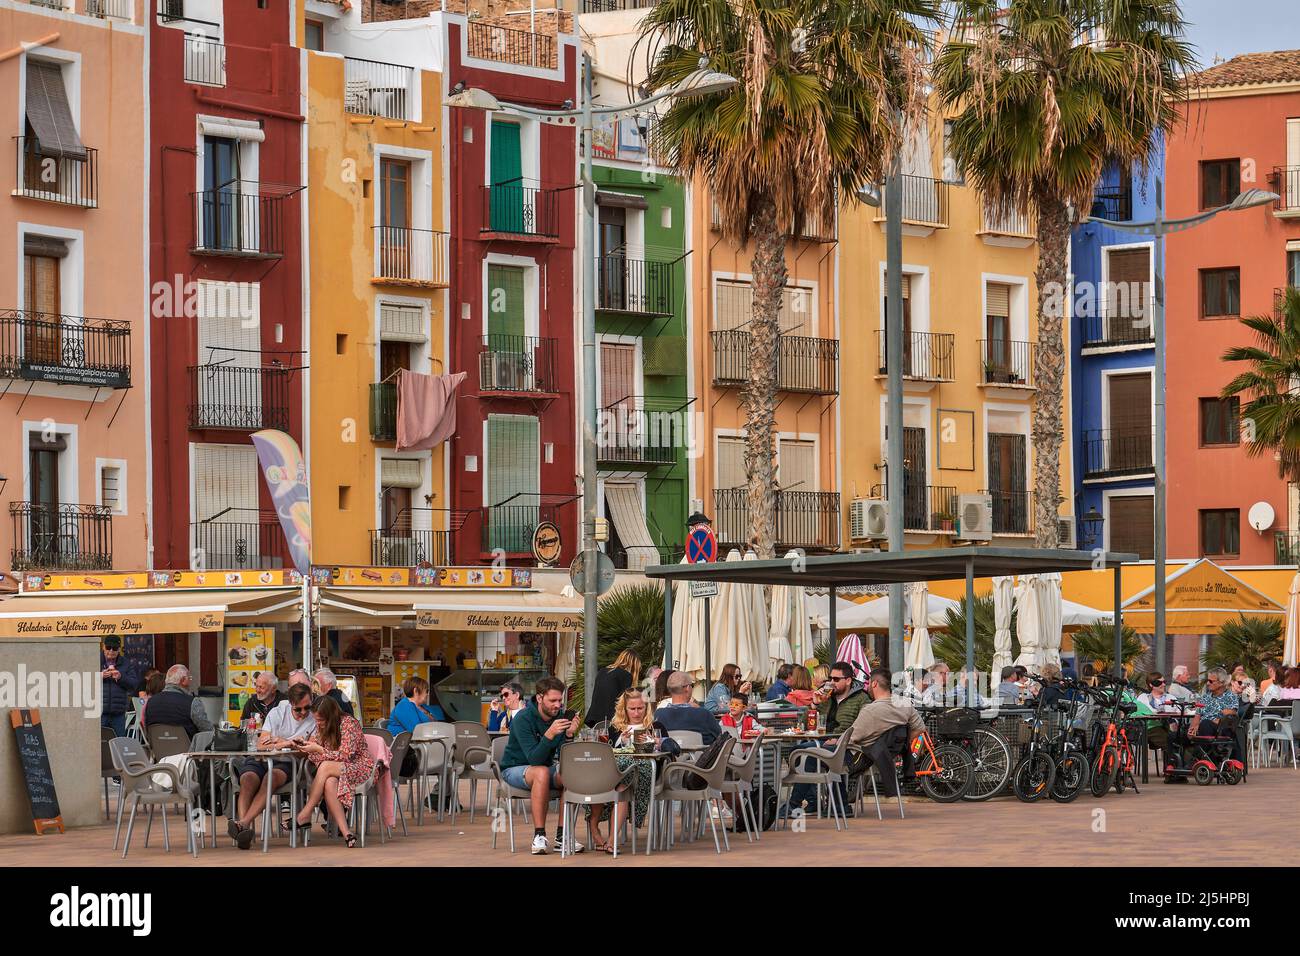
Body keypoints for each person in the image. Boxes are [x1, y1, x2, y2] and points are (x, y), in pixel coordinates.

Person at [499, 676, 581, 855]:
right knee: (541, 772)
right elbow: (534, 759)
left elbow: (563, 756)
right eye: (553, 700)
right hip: (514, 768)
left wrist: (568, 735)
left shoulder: (558, 717)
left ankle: (562, 836)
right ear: (539, 698)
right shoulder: (523, 718)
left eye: (560, 700)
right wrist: (549, 735)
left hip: (542, 768)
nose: (558, 705)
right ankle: (539, 835)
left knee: (569, 773)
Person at [228, 684, 316, 850]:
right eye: (298, 710)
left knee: (271, 777)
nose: (304, 713)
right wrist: (289, 743)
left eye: (307, 707)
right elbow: (261, 745)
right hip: (263, 758)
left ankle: (243, 825)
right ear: (290, 703)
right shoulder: (277, 713)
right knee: (247, 779)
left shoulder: (314, 718)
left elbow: (308, 749)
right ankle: (244, 831)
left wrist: (279, 741)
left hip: (289, 762)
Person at [291, 695, 374, 848]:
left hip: (359, 767)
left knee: (325, 767)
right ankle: (347, 834)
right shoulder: (321, 726)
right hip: (336, 770)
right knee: (329, 782)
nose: (318, 723)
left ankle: (305, 814)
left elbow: (346, 755)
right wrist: (306, 745)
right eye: (316, 720)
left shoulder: (349, 723)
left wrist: (319, 750)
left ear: (331, 716)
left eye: (321, 720)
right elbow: (317, 752)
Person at [588, 688, 656, 852]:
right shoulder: (614, 728)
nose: (636, 712)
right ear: (624, 709)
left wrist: (656, 741)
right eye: (632, 709)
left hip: (640, 772)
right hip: (612, 771)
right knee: (603, 780)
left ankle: (611, 840)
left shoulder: (654, 726)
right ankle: (595, 828)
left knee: (622, 787)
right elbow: (605, 749)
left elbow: (669, 748)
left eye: (640, 708)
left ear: (646, 708)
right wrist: (622, 740)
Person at [847, 670, 925, 797]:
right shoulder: (905, 704)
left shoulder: (870, 710)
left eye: (869, 683)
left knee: (818, 757)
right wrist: (901, 744)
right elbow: (920, 728)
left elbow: (850, 739)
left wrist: (835, 741)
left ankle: (831, 804)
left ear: (874, 684)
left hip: (867, 760)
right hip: (888, 757)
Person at [142, 664, 213, 738]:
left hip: (158, 748)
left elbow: (147, 731)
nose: (190, 681)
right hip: (189, 748)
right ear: (183, 680)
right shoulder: (192, 702)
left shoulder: (150, 702)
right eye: (189, 678)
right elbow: (207, 730)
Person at [653, 671, 721, 744]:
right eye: (692, 685)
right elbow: (719, 735)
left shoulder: (659, 714)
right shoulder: (703, 714)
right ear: (687, 688)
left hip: (670, 754)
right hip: (699, 754)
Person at [586, 649, 642, 727]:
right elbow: (624, 701)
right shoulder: (626, 675)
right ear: (634, 665)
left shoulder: (602, 671)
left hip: (594, 718)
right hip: (612, 720)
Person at [99, 636, 141, 737]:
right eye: (109, 647)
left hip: (118, 714)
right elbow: (82, 680)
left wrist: (121, 677)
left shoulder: (126, 663)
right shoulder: (93, 660)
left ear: (119, 649)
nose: (111, 651)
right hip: (98, 713)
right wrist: (99, 676)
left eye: (115, 648)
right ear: (103, 647)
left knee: (119, 743)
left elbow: (134, 684)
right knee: (97, 744)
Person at [1188, 667, 1239, 739]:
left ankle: (1201, 749)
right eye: (1207, 680)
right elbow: (1197, 715)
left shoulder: (1230, 697)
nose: (1208, 683)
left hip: (1219, 730)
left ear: (1221, 683)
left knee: (1205, 724)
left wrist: (1200, 726)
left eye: (1211, 681)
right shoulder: (1205, 697)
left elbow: (1229, 717)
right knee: (1176, 734)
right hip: (1201, 728)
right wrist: (1192, 729)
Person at [1138, 673, 1176, 752]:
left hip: (1169, 727)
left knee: (1182, 741)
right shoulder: (1143, 698)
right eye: (1159, 683)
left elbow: (1180, 712)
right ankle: (1176, 762)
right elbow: (1138, 713)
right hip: (1151, 728)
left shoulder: (1171, 698)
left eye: (1164, 682)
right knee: (1169, 742)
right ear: (1151, 685)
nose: (1163, 685)